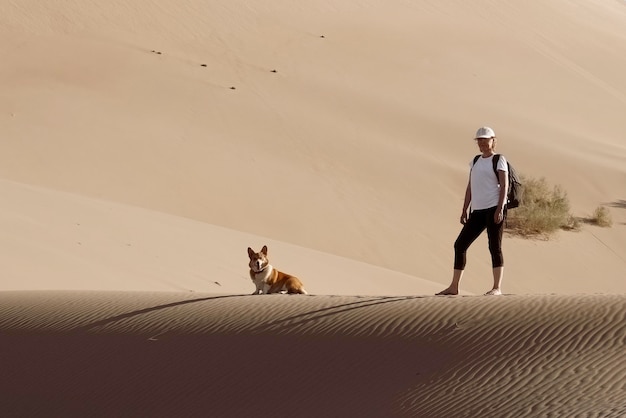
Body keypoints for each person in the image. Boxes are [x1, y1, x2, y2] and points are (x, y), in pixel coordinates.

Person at [437, 126, 509, 296]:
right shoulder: (475, 161)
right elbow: (471, 186)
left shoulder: (499, 159)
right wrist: (464, 209)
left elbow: (504, 185)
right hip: (477, 210)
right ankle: (454, 287)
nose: (483, 143)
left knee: (494, 246)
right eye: (480, 140)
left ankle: (496, 288)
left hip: (493, 208)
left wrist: (499, 209)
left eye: (486, 139)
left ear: (493, 140)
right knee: (460, 244)